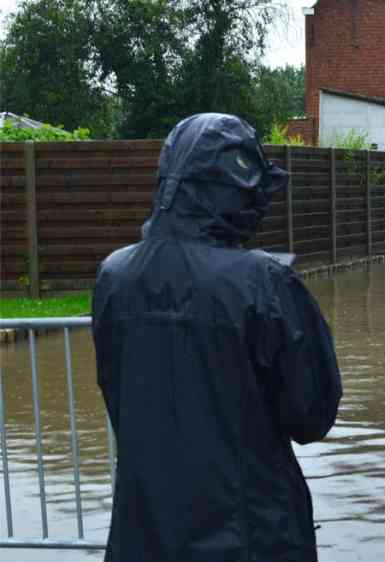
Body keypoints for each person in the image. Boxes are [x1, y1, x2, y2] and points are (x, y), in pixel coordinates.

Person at [91, 113, 343, 562]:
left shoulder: (114, 276)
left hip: (144, 533)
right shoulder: (262, 282)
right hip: (252, 534)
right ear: (241, 191)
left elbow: (118, 394)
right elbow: (312, 413)